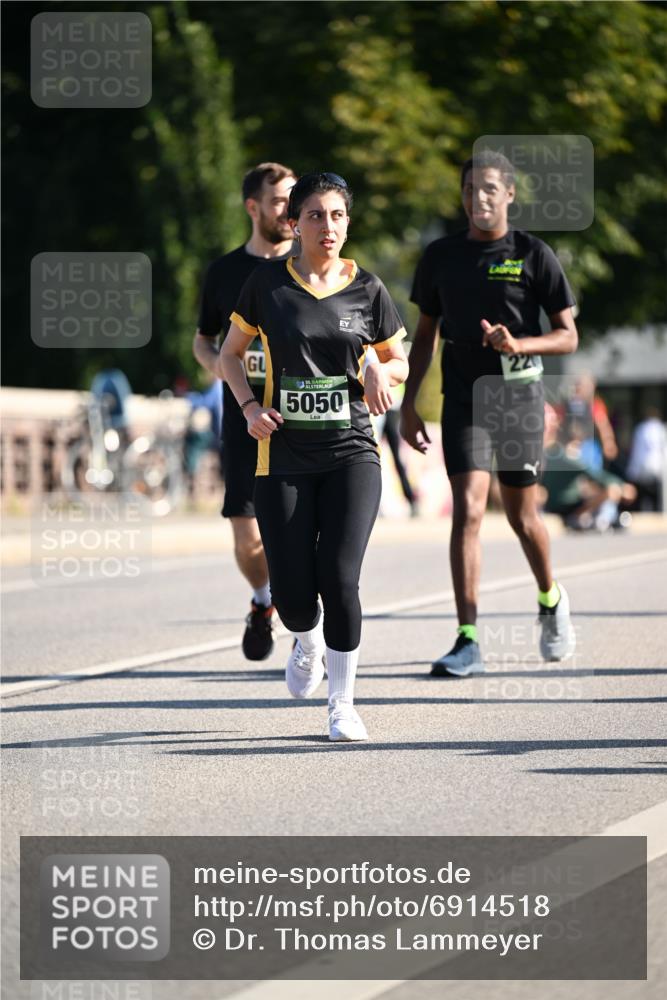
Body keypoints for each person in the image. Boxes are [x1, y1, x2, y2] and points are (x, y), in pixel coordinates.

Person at [220, 171, 408, 740]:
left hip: (352, 452)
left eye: (338, 216)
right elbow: (230, 355)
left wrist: (379, 368)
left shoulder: (368, 289)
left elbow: (397, 363)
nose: (329, 227)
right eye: (316, 216)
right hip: (283, 457)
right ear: (295, 224)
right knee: (296, 598)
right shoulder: (266, 284)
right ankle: (303, 641)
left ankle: (343, 704)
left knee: (341, 577)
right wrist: (250, 407)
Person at [400, 149, 579, 676]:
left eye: (489, 189)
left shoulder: (533, 254)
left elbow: (569, 337)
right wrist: (409, 407)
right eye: (470, 189)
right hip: (464, 400)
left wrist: (519, 341)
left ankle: (550, 599)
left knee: (524, 518)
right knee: (470, 511)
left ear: (509, 195)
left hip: (518, 398)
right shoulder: (440, 256)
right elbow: (425, 338)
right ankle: (468, 638)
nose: (478, 198)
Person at [193, 162, 296, 660]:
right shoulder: (224, 272)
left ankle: (303, 617)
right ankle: (263, 602)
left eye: (293, 199)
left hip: (301, 416)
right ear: (253, 207)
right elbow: (203, 341)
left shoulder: (311, 266)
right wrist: (221, 367)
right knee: (247, 530)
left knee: (302, 530)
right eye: (279, 201)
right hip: (242, 416)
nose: (289, 210)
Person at [541, 404, 636, 531]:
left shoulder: (548, 455)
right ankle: (580, 517)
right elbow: (596, 475)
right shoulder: (564, 457)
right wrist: (622, 485)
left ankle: (600, 518)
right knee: (612, 491)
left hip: (555, 503)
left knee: (594, 490)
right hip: (566, 506)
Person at [626, 406, 667, 511]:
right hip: (658, 470)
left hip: (643, 469)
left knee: (643, 500)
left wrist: (632, 472)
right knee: (657, 502)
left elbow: (637, 452)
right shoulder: (662, 429)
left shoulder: (641, 429)